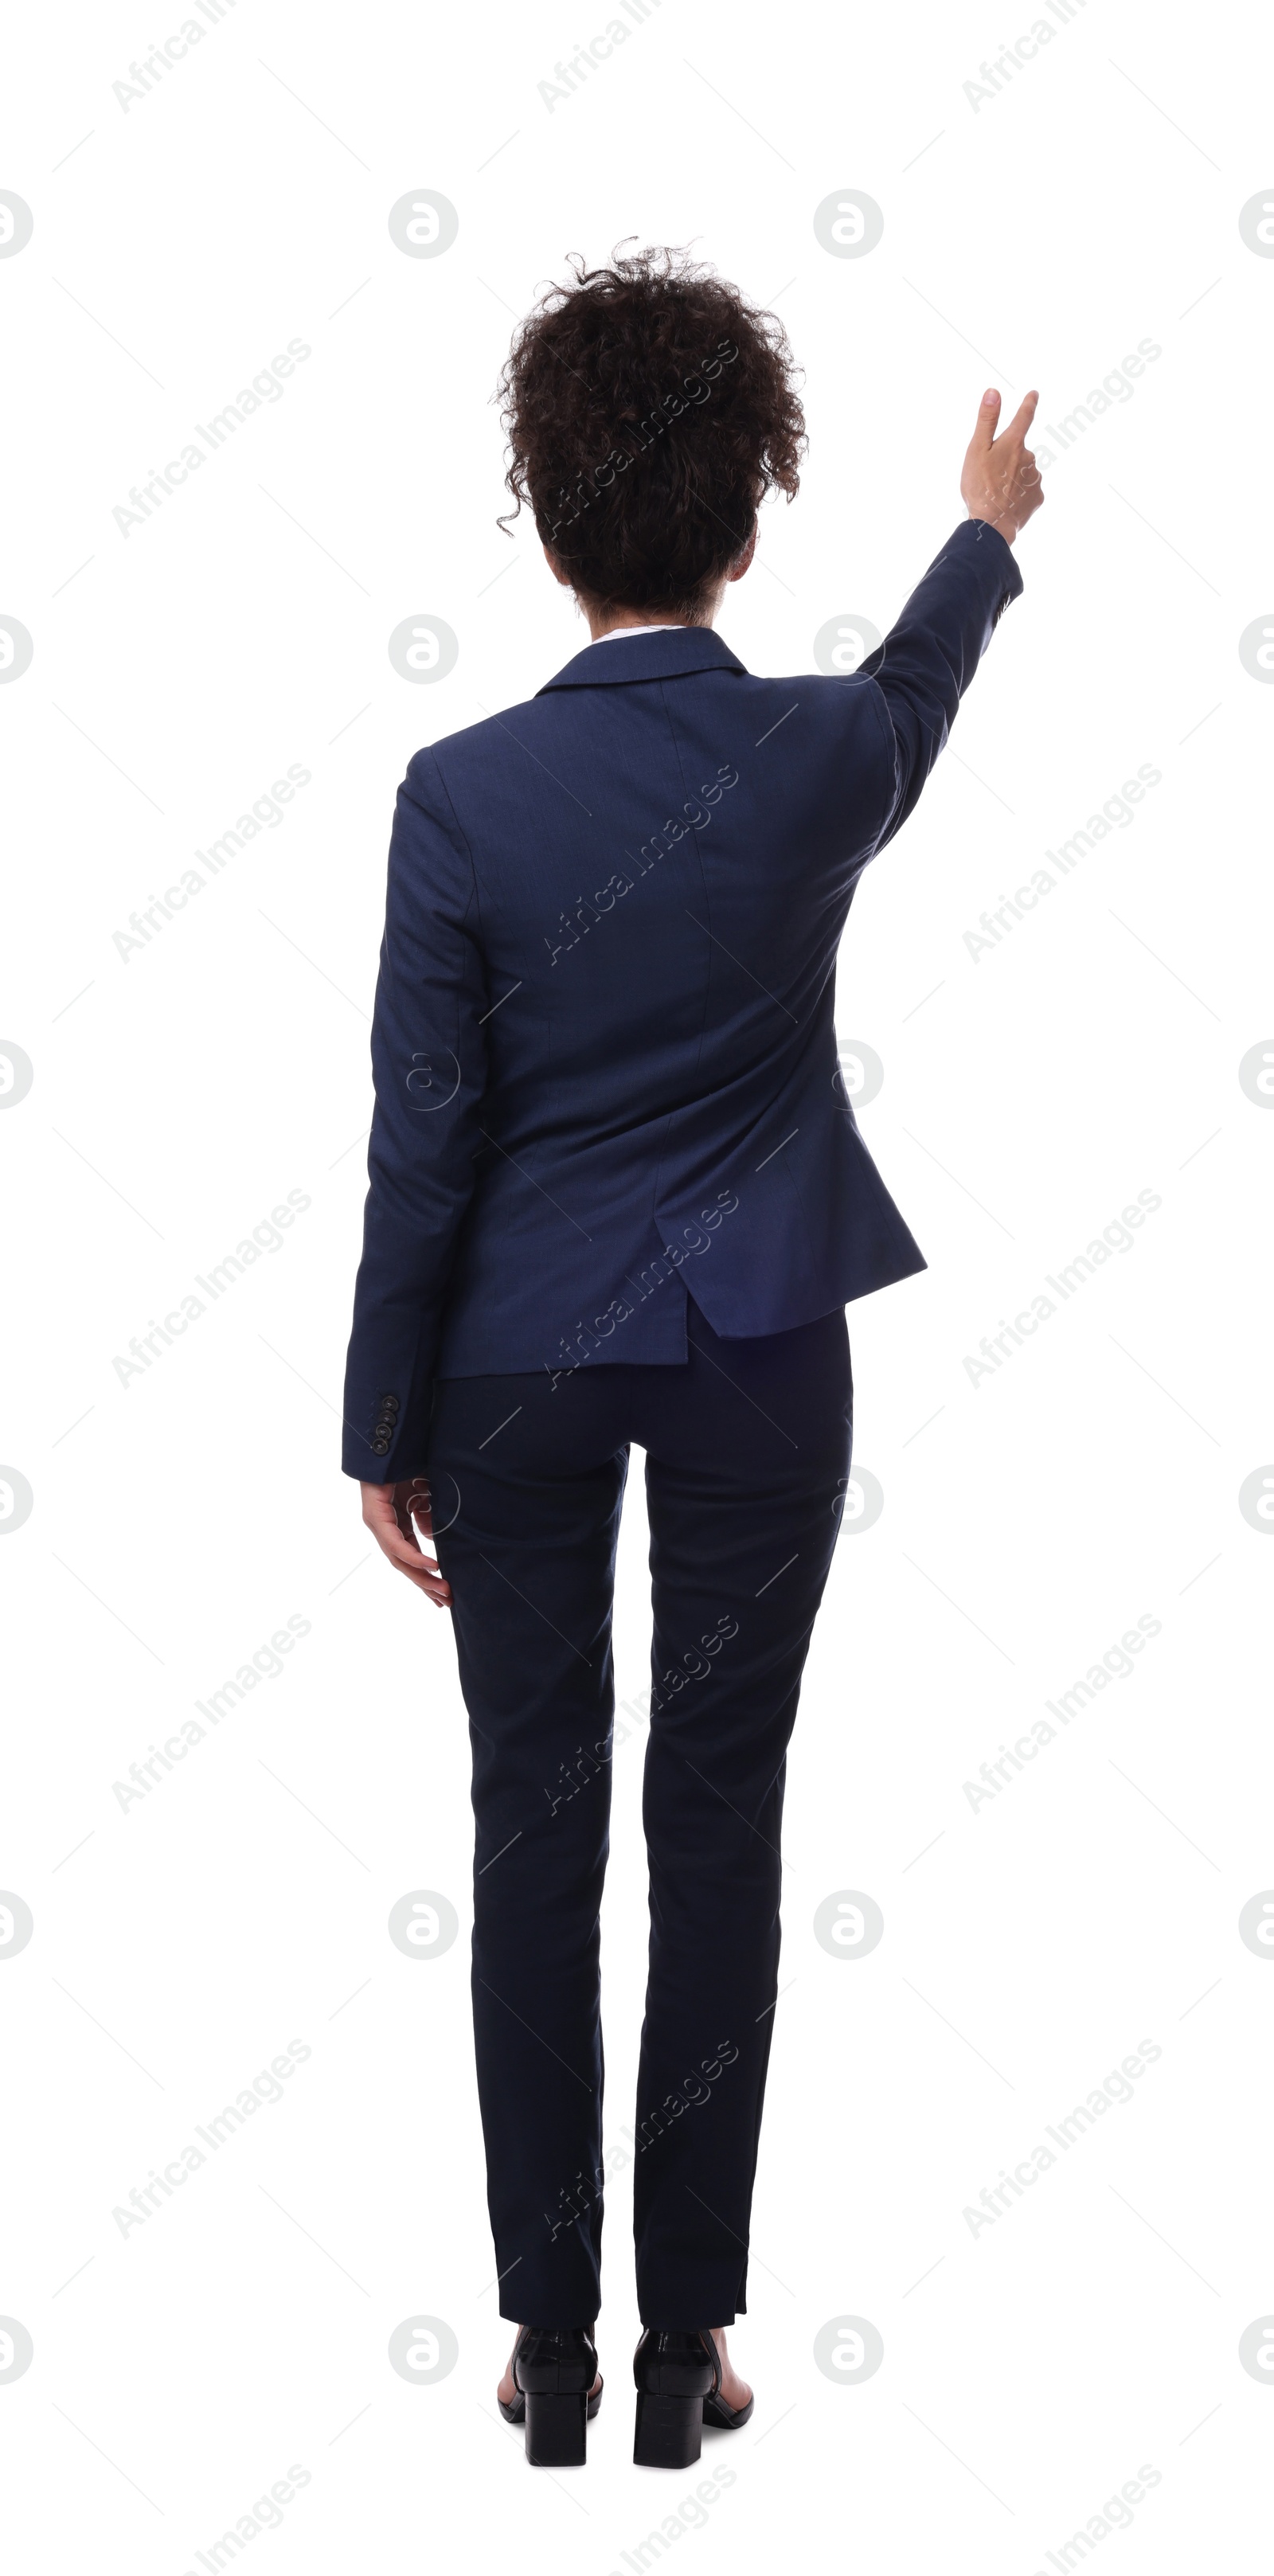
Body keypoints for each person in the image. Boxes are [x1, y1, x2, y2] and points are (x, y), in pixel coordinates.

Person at [342, 245, 1041, 2469]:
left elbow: (421, 1145)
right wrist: (988, 527)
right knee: (717, 1832)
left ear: (543, 523)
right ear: (751, 521)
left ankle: (549, 2344)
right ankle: (686, 2352)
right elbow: (921, 685)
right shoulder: (814, 750)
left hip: (514, 1372)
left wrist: (382, 1424)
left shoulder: (457, 797)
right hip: (756, 1355)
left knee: (531, 1845)